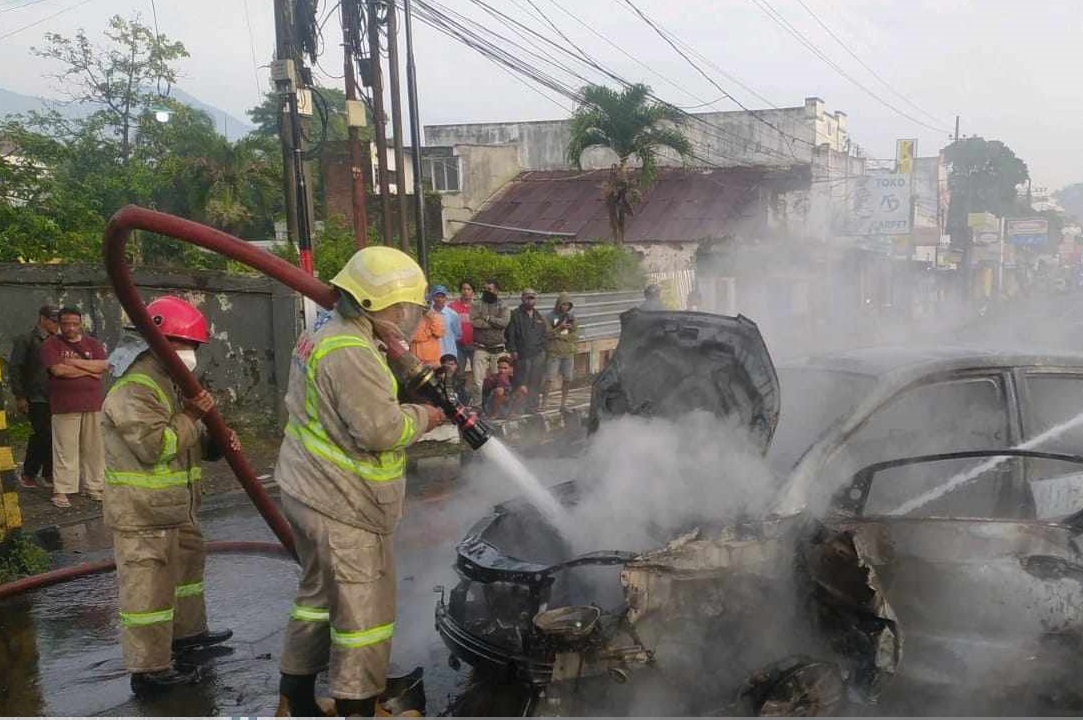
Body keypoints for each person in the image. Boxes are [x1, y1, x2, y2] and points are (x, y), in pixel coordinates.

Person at [275, 246, 446, 718]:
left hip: (309, 490)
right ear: (376, 305)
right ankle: (359, 706)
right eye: (405, 309)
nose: (409, 317)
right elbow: (379, 430)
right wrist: (427, 416)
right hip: (342, 502)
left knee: (317, 599)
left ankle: (297, 700)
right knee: (363, 615)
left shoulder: (327, 330)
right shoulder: (351, 353)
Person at [101, 295, 235, 695]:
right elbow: (156, 445)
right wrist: (194, 417)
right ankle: (150, 669)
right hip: (143, 514)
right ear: (160, 342)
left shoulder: (171, 382)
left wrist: (215, 439)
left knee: (186, 577)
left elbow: (192, 444)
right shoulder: (136, 389)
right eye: (185, 344)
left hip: (178, 508)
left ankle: (188, 637)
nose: (191, 354)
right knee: (149, 592)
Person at [39, 306, 108, 508]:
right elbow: (58, 370)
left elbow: (103, 368)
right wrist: (89, 368)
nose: (70, 327)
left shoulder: (93, 344)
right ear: (59, 324)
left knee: (95, 448)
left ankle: (95, 487)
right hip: (64, 405)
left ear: (81, 323)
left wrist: (74, 364)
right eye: (66, 323)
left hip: (93, 403)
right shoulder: (50, 345)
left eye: (74, 323)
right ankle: (63, 490)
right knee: (65, 449)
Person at [9, 304, 59, 489]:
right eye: (53, 321)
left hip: (56, 395)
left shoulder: (58, 341)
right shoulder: (27, 340)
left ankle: (48, 473)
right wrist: (20, 396)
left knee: (55, 436)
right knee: (42, 434)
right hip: (36, 395)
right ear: (43, 319)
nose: (56, 325)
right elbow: (15, 368)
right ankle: (29, 473)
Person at [505, 288, 548, 413]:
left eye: (532, 298)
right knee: (520, 381)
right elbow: (510, 334)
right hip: (522, 354)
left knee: (535, 381)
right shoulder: (515, 314)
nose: (530, 300)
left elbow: (544, 335)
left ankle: (533, 406)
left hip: (537, 354)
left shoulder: (538, 316)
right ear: (522, 299)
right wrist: (512, 349)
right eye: (527, 297)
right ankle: (518, 407)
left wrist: (542, 350)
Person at [470, 278, 509, 403]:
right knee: (477, 380)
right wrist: (493, 324)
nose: (486, 291)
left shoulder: (503, 305)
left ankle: (493, 406)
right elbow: (474, 322)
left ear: (496, 290)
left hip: (497, 348)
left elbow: (504, 323)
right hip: (481, 347)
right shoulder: (476, 304)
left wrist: (487, 318)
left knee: (498, 380)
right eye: (485, 289)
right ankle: (477, 405)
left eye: (489, 289)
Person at [542, 292, 578, 412]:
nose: (565, 307)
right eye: (563, 304)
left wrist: (563, 334)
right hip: (554, 352)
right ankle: (544, 403)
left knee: (567, 378)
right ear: (558, 304)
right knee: (549, 378)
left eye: (568, 305)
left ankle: (563, 403)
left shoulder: (571, 317)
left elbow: (575, 335)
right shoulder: (550, 317)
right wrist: (560, 328)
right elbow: (547, 334)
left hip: (568, 352)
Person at [408, 298, 445, 368]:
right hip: (415, 360)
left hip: (432, 360)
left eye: (426, 304)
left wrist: (430, 316)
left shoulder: (436, 316)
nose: (424, 306)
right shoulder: (411, 318)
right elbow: (413, 336)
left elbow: (439, 333)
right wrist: (428, 333)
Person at [429, 285, 461, 362]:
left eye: (442, 297)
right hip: (432, 353)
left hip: (449, 352)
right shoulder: (427, 314)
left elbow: (457, 334)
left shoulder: (452, 314)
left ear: (445, 298)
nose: (439, 299)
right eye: (437, 296)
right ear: (433, 297)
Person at [448, 281, 475, 372]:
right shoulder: (452, 306)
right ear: (460, 291)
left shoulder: (478, 307)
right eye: (464, 289)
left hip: (475, 345)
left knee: (477, 373)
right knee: (459, 372)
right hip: (458, 345)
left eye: (468, 289)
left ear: (473, 292)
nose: (466, 291)